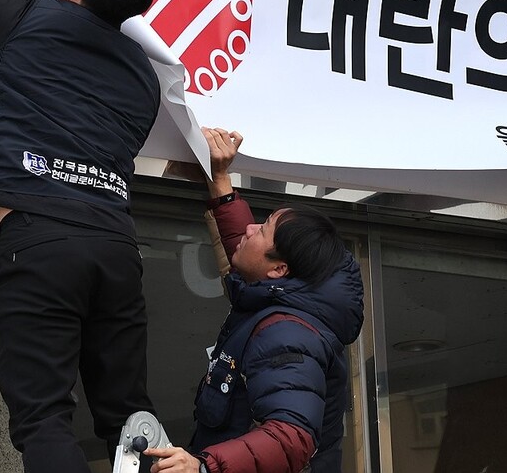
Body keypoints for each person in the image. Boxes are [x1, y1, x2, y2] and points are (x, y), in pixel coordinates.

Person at [0, 0, 161, 472]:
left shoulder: (25, 17)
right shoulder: (144, 77)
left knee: (41, 418)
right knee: (127, 420)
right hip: (115, 246)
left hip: (39, 239)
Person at [145, 127, 364, 473]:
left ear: (279, 269)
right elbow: (242, 255)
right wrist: (219, 181)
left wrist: (203, 468)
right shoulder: (283, 301)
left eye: (262, 230)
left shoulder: (287, 333)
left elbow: (290, 437)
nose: (251, 229)